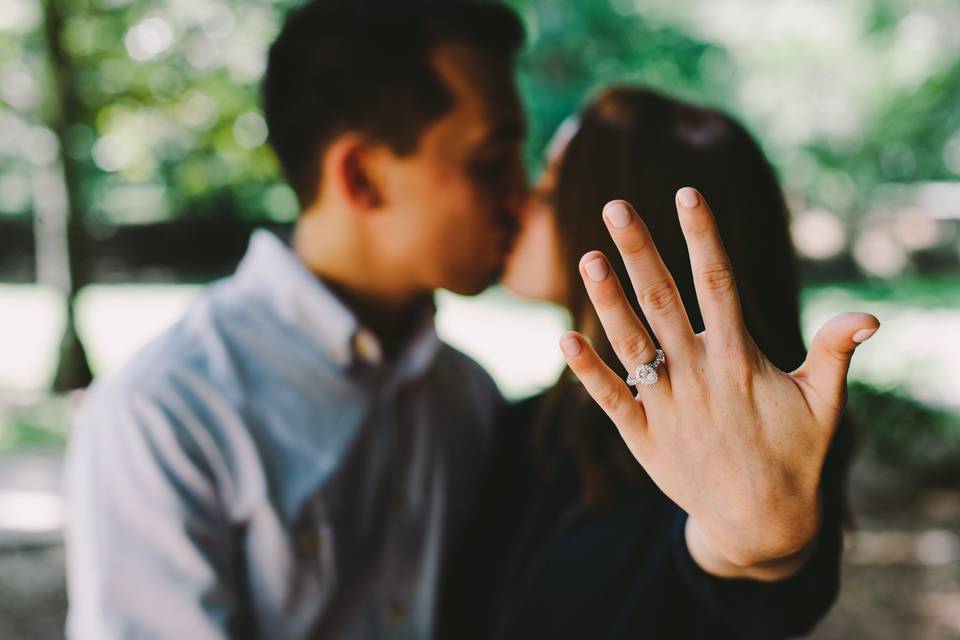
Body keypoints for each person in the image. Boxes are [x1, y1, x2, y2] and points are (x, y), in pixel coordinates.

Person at [63, 1, 527, 638]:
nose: (523, 196)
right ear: (361, 177)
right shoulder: (168, 413)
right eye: (491, 163)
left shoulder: (467, 395)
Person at [440, 86, 879, 639]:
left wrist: (760, 544)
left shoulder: (745, 445)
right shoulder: (531, 420)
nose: (520, 202)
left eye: (551, 191)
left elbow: (739, 557)